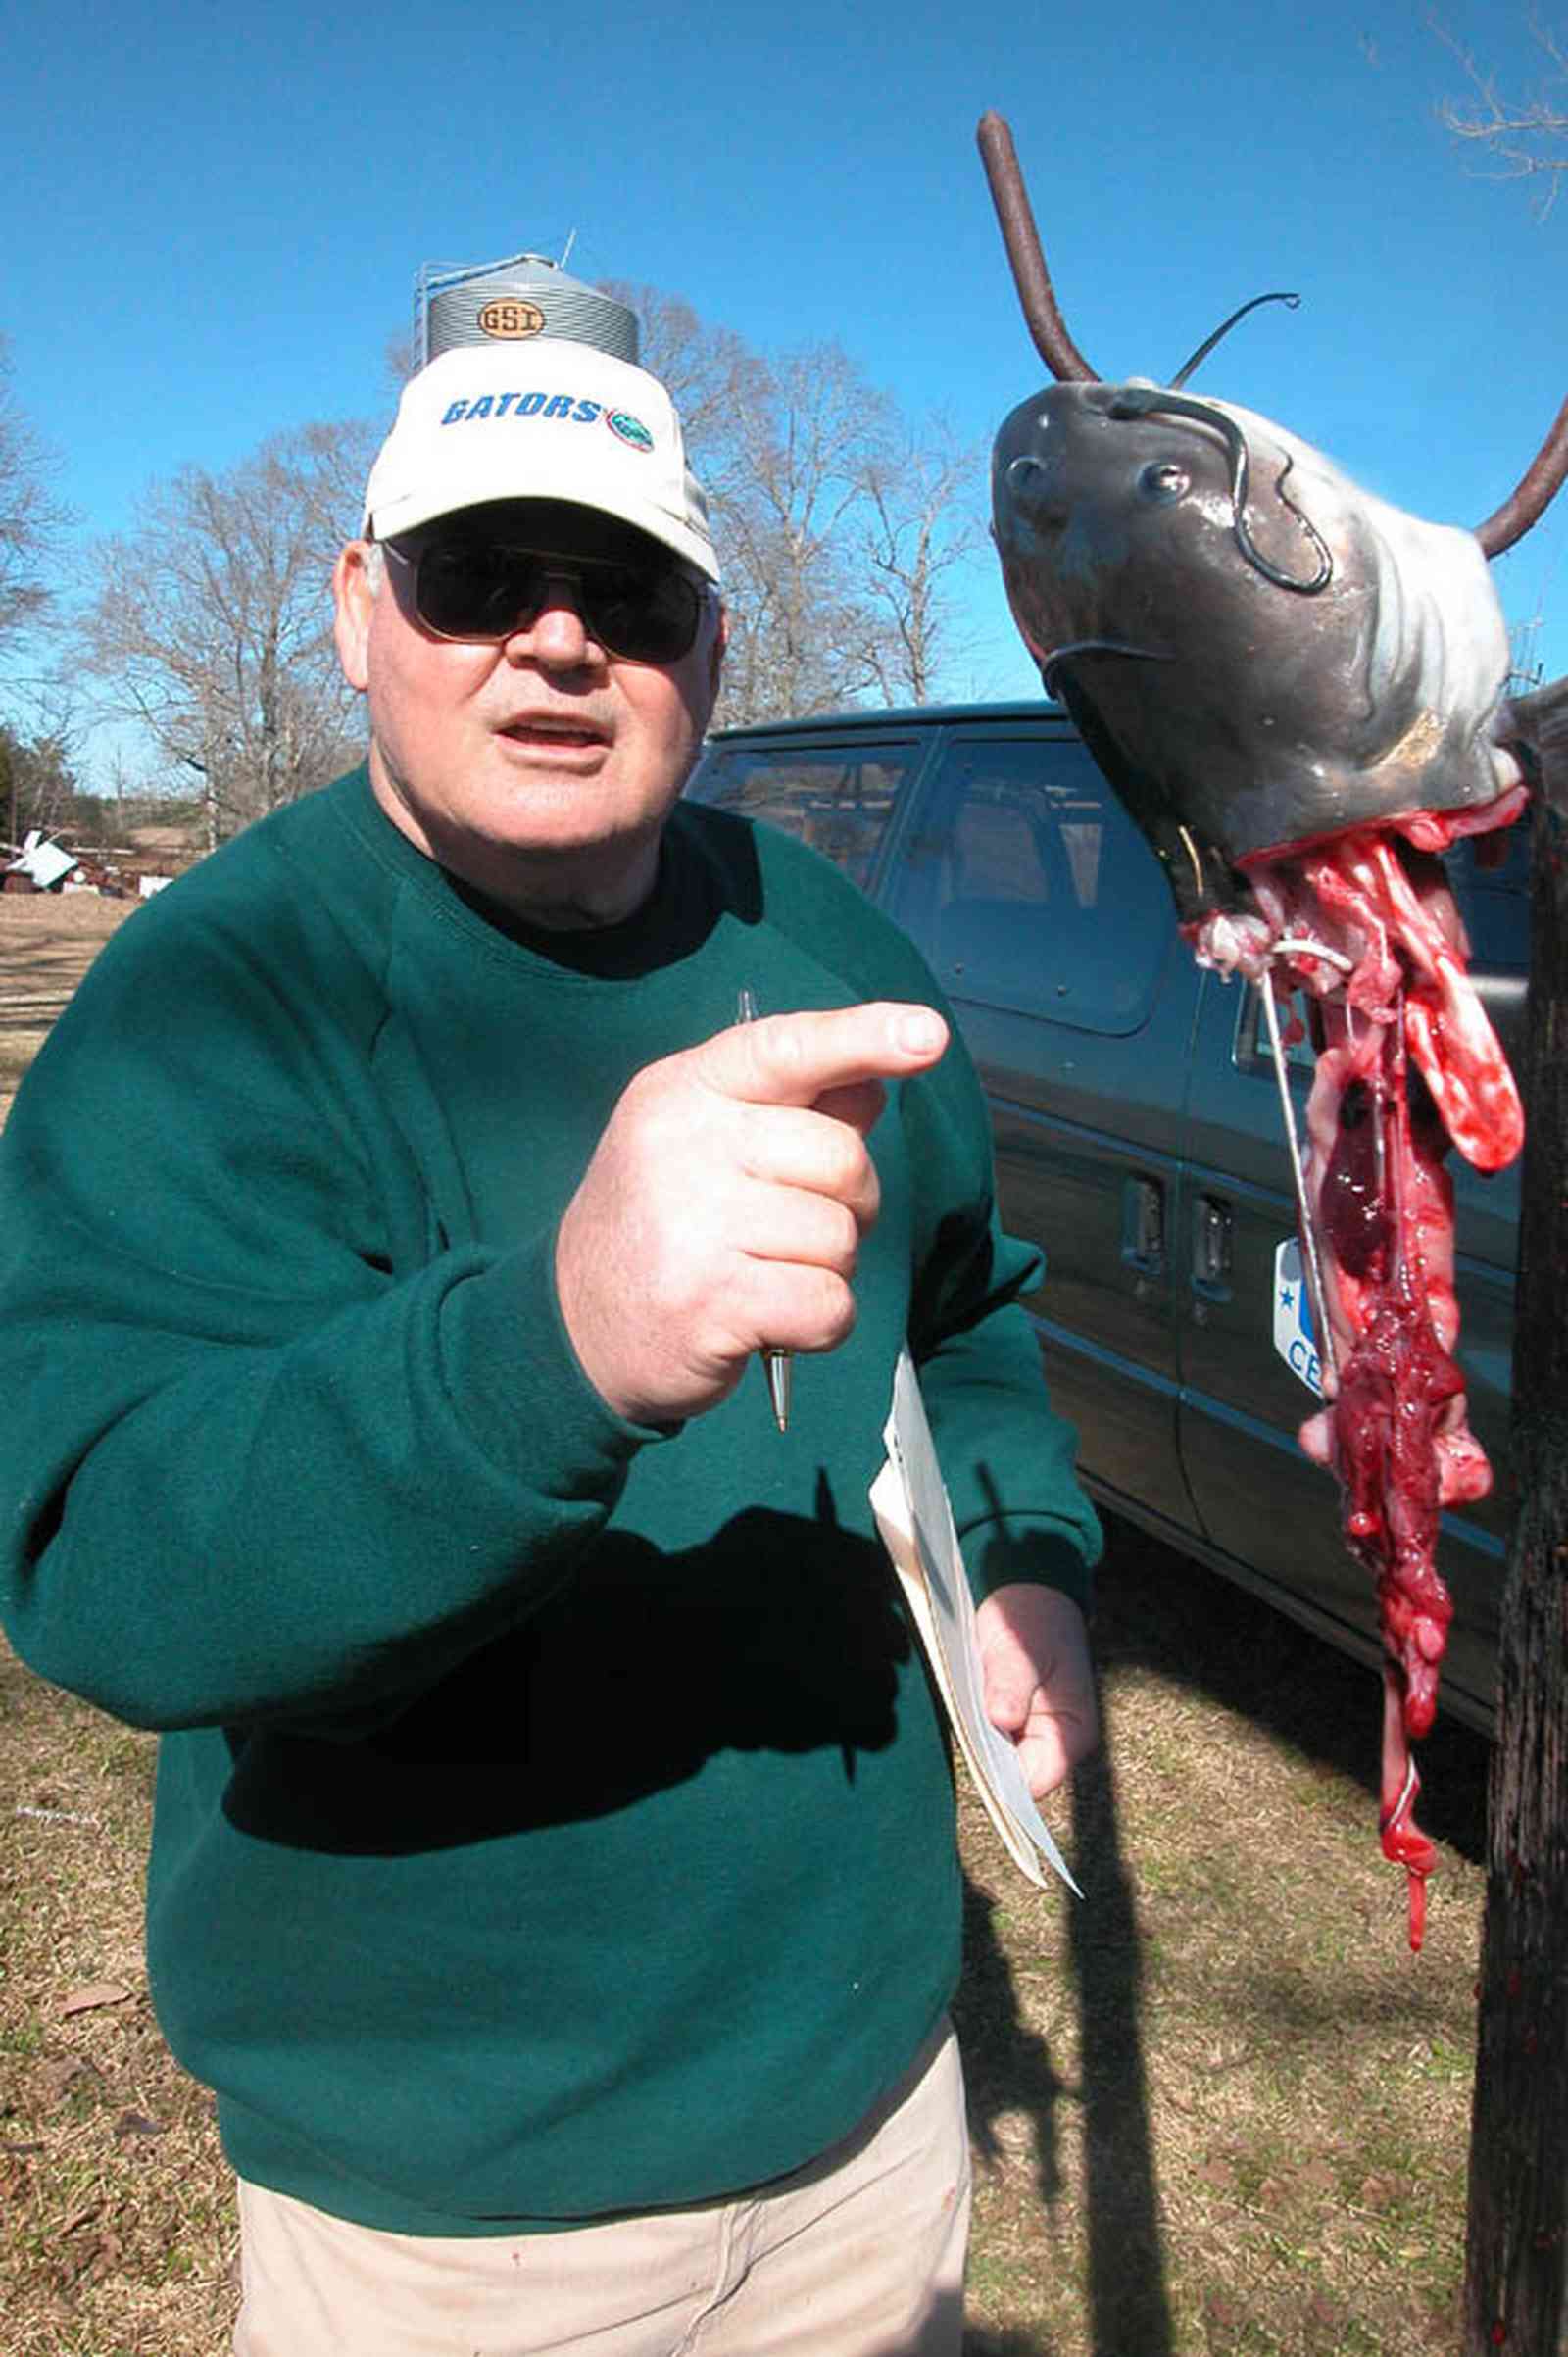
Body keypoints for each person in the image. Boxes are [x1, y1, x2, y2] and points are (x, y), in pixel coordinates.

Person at [0, 333, 1101, 2356]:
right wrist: (558, 1344)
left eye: (626, 592)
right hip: (460, 2218)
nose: (558, 641)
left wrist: (1027, 1566)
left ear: (708, 642)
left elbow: (968, 1325)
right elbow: (104, 1563)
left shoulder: (826, 940)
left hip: (867, 2124)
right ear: (355, 611)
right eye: (478, 573)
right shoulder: (213, 1000)